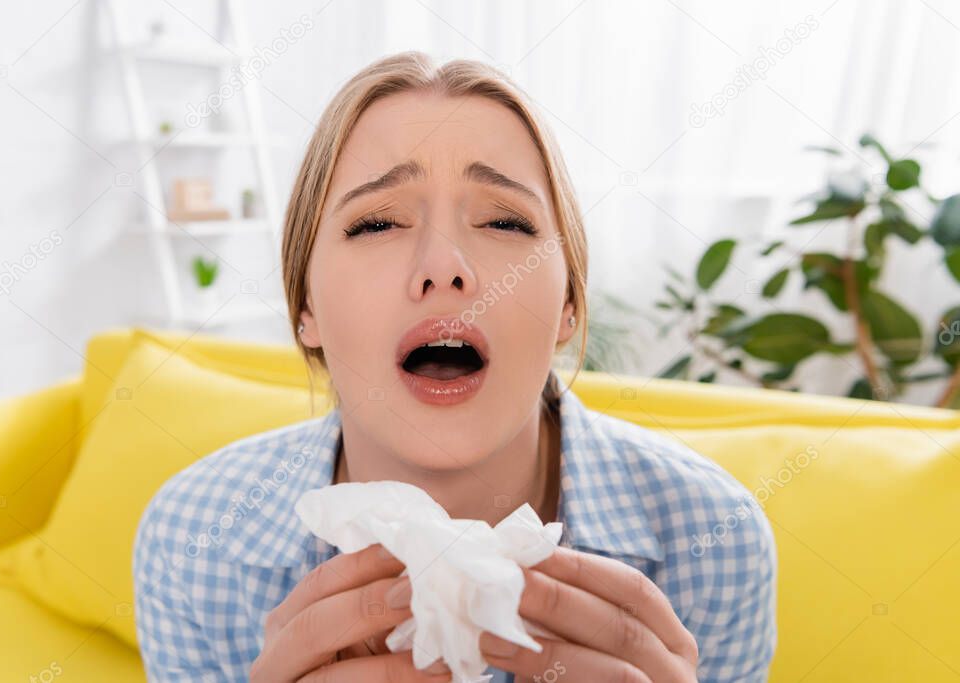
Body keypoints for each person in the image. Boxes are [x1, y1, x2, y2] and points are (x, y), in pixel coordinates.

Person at [133, 50, 777, 682]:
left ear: (569, 307)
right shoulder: (193, 540)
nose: (444, 265)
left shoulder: (717, 539)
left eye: (503, 221)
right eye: (378, 223)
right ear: (307, 308)